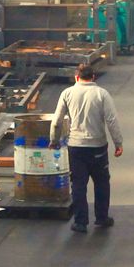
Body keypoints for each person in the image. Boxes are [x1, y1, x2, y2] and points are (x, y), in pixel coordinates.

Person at [50, 63, 124, 232]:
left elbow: (57, 122)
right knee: (102, 183)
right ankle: (102, 217)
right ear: (93, 77)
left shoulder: (67, 93)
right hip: (98, 147)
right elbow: (112, 120)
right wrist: (118, 143)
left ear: (77, 77)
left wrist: (54, 140)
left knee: (78, 184)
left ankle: (80, 222)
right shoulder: (102, 94)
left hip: (76, 147)